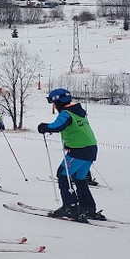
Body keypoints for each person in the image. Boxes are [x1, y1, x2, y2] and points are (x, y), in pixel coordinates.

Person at [38, 88, 104, 221]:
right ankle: (88, 207)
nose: (54, 107)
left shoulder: (66, 113)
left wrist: (44, 127)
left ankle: (70, 207)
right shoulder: (78, 111)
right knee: (79, 178)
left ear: (59, 102)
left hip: (79, 150)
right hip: (91, 149)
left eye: (54, 103)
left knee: (62, 175)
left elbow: (58, 126)